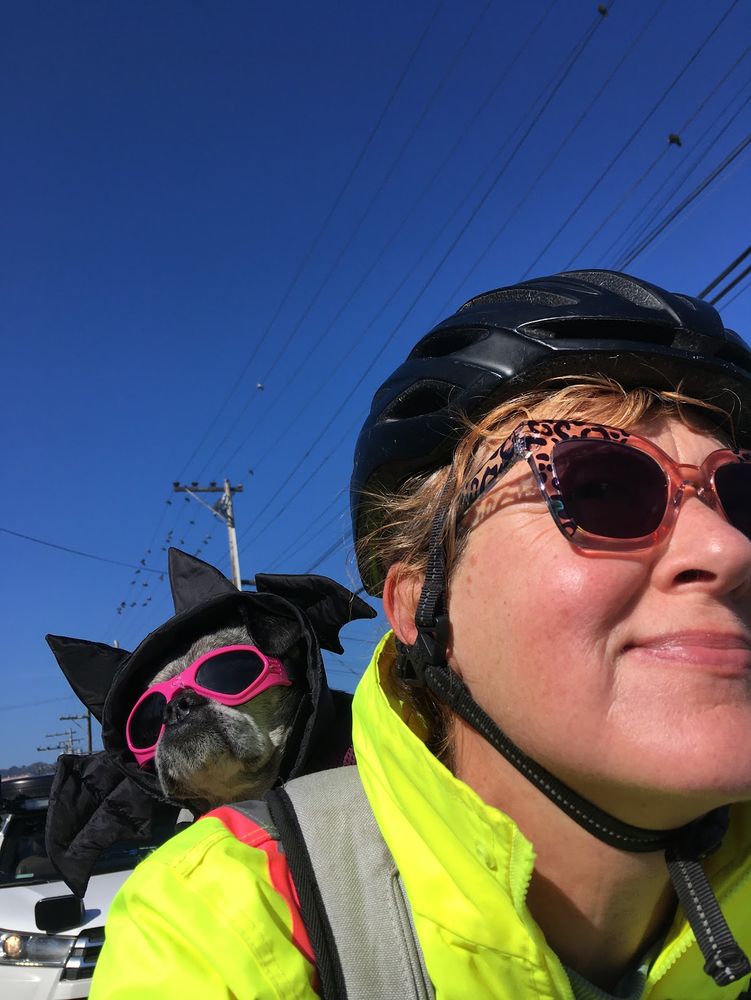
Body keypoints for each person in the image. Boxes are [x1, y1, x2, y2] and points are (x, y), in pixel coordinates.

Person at [90, 269, 751, 999]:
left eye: (743, 499)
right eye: (598, 487)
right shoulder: (222, 927)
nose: (727, 548)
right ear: (416, 607)